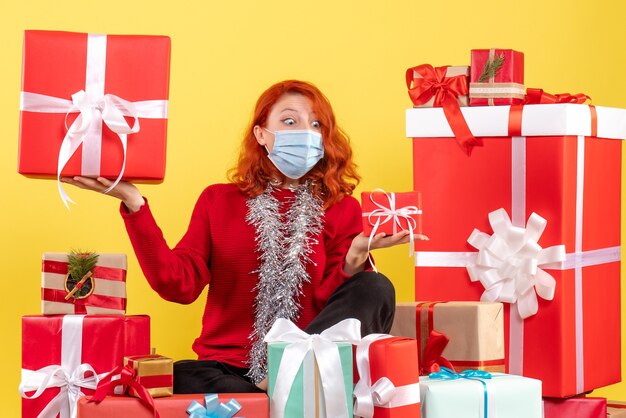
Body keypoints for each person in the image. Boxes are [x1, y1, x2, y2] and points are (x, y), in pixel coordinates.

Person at [62, 80, 427, 393]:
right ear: (261, 134)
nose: (305, 132)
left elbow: (332, 305)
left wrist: (355, 256)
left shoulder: (342, 208)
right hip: (229, 371)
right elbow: (178, 285)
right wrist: (135, 203)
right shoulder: (218, 201)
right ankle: (270, 394)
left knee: (376, 288)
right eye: (289, 121)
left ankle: (283, 378)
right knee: (169, 378)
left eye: (316, 125)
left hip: (310, 366)